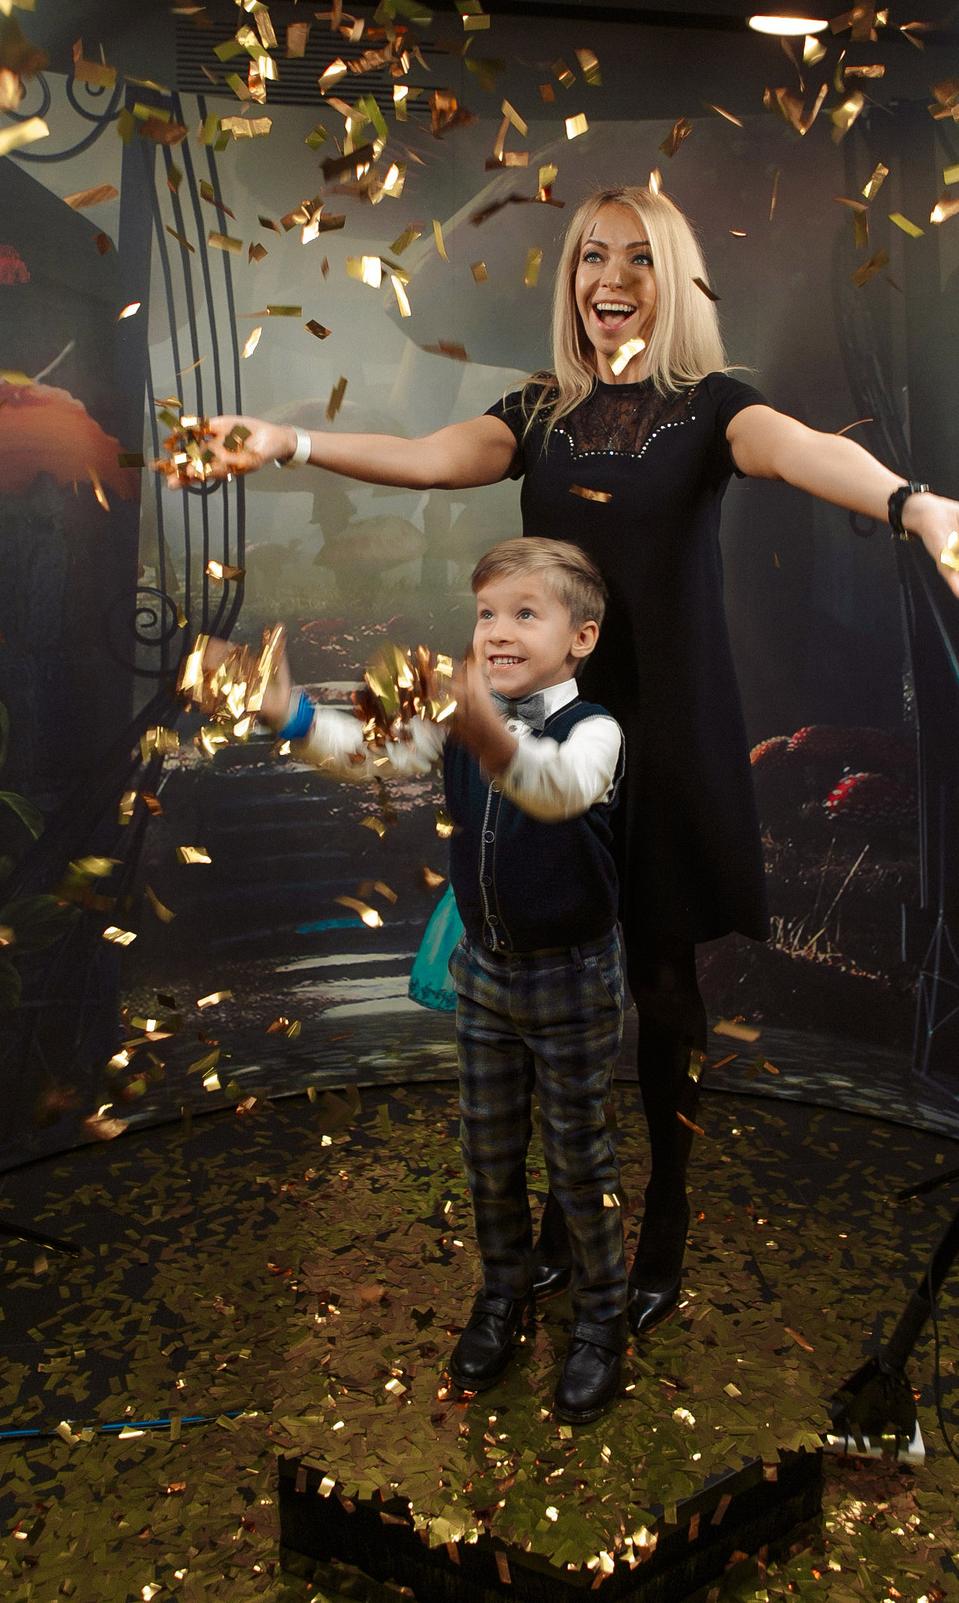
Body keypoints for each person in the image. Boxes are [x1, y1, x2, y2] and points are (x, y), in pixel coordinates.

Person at [164, 184, 959, 1339]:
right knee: (553, 978)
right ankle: (563, 1214)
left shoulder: (715, 409)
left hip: (668, 733)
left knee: (662, 986)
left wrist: (914, 508)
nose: (608, 277)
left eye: (635, 257)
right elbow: (427, 459)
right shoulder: (536, 412)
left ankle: (663, 1214)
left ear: (671, 281)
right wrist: (285, 440)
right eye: (589, 256)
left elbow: (800, 454)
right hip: (555, 726)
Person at [237, 536, 631, 1423]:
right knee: (488, 1154)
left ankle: (601, 1322)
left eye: (524, 613)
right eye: (486, 613)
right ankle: (504, 1296)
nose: (497, 631)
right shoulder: (462, 718)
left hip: (572, 979)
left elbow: (556, 790)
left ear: (582, 638)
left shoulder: (595, 732)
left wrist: (482, 724)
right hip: (486, 973)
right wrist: (290, 714)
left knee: (579, 1159)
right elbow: (368, 753)